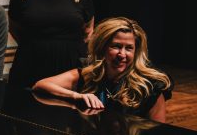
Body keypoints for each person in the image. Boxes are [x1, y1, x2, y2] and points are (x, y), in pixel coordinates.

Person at [32, 17, 171, 122]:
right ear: (102, 48)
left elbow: (156, 133)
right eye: (116, 46)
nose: (122, 54)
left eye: (129, 48)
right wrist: (76, 97)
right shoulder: (88, 74)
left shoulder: (150, 86)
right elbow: (40, 86)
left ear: (136, 52)